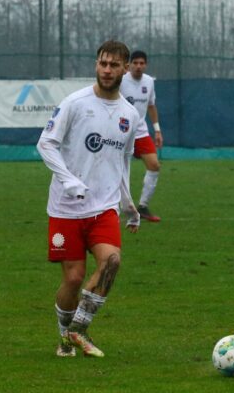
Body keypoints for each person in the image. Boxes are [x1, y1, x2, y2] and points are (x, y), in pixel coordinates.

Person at [36, 40, 141, 358]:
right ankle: (64, 337)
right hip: (66, 208)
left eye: (113, 65)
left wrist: (129, 204)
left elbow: (122, 162)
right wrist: (69, 181)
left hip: (103, 207)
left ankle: (78, 331)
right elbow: (46, 144)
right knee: (74, 278)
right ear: (96, 65)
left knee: (112, 262)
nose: (106, 70)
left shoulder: (130, 115)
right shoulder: (75, 103)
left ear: (125, 68)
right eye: (102, 63)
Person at [119, 50, 162, 222]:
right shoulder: (121, 80)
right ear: (129, 65)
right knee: (117, 170)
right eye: (135, 63)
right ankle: (112, 207)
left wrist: (157, 130)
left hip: (141, 132)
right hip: (121, 132)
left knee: (154, 165)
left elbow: (151, 106)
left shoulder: (149, 82)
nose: (138, 66)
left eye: (141, 63)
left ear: (146, 65)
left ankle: (142, 206)